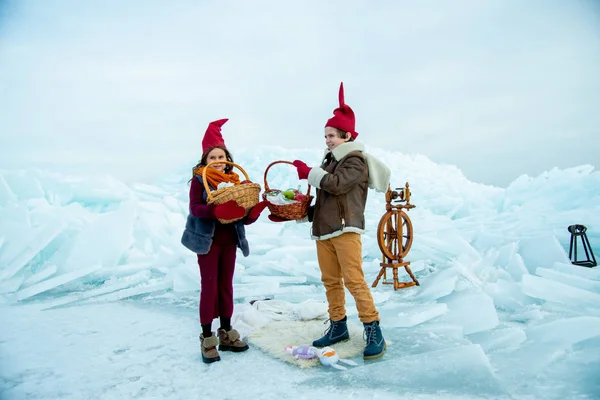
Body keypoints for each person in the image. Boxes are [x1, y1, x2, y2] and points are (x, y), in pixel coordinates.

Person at [276, 83, 391, 360]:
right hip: (325, 231)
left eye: (332, 136)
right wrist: (303, 213)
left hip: (346, 230)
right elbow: (327, 199)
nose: (327, 140)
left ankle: (373, 328)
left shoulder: (355, 161)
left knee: (354, 280)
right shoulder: (329, 162)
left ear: (346, 136)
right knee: (331, 281)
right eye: (326, 135)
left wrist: (309, 173)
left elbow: (336, 186)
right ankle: (338, 326)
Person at [181, 118, 269, 364]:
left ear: (228, 160)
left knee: (226, 287)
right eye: (213, 158)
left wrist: (254, 211)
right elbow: (195, 208)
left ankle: (227, 334)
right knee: (209, 288)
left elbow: (241, 216)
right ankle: (207, 338)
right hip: (208, 243)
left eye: (221, 157)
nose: (218, 161)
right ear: (205, 162)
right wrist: (216, 212)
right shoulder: (200, 181)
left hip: (230, 240)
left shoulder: (236, 183)